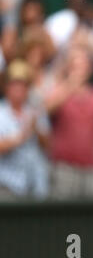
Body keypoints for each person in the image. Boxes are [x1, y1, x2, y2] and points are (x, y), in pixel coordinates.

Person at [45, 45, 93, 200]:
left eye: (83, 64)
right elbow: (47, 109)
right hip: (64, 167)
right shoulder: (58, 89)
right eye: (75, 64)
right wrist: (71, 84)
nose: (80, 69)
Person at [0, 59, 50, 200]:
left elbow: (48, 146)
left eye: (23, 85)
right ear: (7, 87)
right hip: (6, 185)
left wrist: (36, 129)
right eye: (14, 84)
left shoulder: (36, 111)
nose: (19, 89)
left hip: (35, 184)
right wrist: (22, 136)